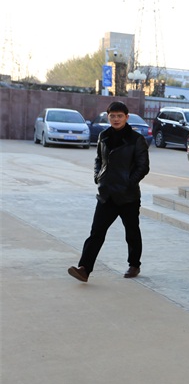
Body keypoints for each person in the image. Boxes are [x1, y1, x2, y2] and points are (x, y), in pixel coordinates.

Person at [67, 101, 150, 282]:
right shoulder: (103, 136)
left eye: (119, 116)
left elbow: (143, 167)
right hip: (106, 195)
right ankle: (84, 269)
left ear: (126, 117)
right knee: (96, 233)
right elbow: (99, 159)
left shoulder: (136, 139)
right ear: (108, 117)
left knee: (132, 232)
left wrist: (128, 183)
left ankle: (134, 264)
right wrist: (98, 176)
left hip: (128, 196)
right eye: (112, 116)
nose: (116, 119)